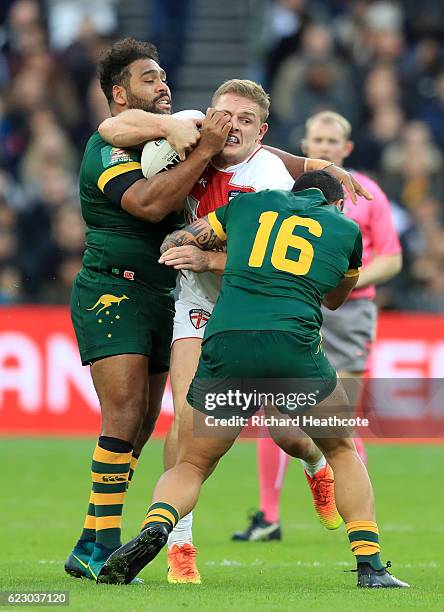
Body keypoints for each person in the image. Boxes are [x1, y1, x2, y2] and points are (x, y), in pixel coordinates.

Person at [98, 81, 373, 583]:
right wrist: (166, 125)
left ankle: (315, 464)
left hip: (253, 302)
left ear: (261, 134)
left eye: (246, 120)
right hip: (199, 303)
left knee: (289, 435)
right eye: (225, 115)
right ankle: (180, 549)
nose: (233, 126)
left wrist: (204, 255)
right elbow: (110, 128)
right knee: (185, 421)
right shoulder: (186, 131)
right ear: (208, 114)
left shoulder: (266, 175)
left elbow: (266, 262)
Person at [64, 37, 232, 581]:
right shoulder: (108, 150)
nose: (162, 86)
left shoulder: (170, 139)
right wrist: (203, 151)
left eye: (163, 77)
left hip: (165, 293)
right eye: (147, 78)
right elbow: (148, 203)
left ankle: (89, 538)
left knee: (139, 426)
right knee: (123, 411)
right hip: (113, 289)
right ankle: (104, 546)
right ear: (119, 92)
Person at [233, 111, 402, 542]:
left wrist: (338, 280)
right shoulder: (283, 190)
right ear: (305, 146)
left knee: (337, 421)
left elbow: (392, 257)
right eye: (318, 140)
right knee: (276, 415)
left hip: (347, 314)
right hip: (294, 307)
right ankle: (268, 517)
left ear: (346, 149)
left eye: (333, 141)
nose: (325, 147)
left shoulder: (369, 195)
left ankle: (359, 523)